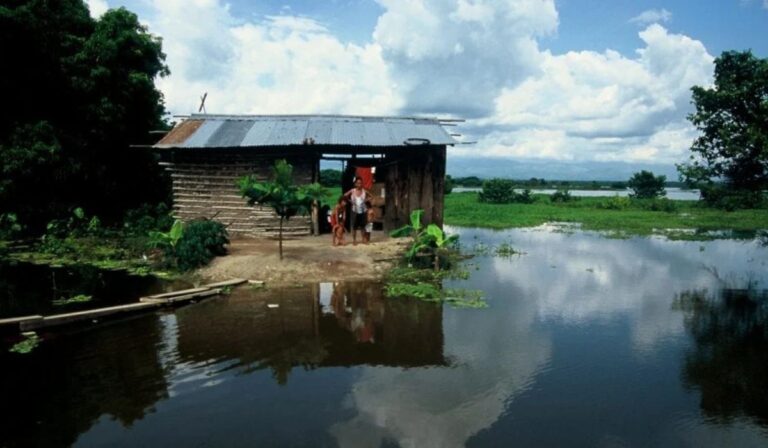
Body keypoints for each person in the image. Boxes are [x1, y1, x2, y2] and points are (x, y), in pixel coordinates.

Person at [343, 178, 371, 245]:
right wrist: (350, 201)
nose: (359, 184)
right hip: (354, 211)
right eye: (358, 183)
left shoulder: (364, 191)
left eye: (360, 183)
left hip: (363, 210)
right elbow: (345, 195)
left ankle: (363, 239)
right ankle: (354, 240)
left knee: (363, 226)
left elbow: (371, 196)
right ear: (355, 184)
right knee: (354, 226)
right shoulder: (352, 191)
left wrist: (366, 200)